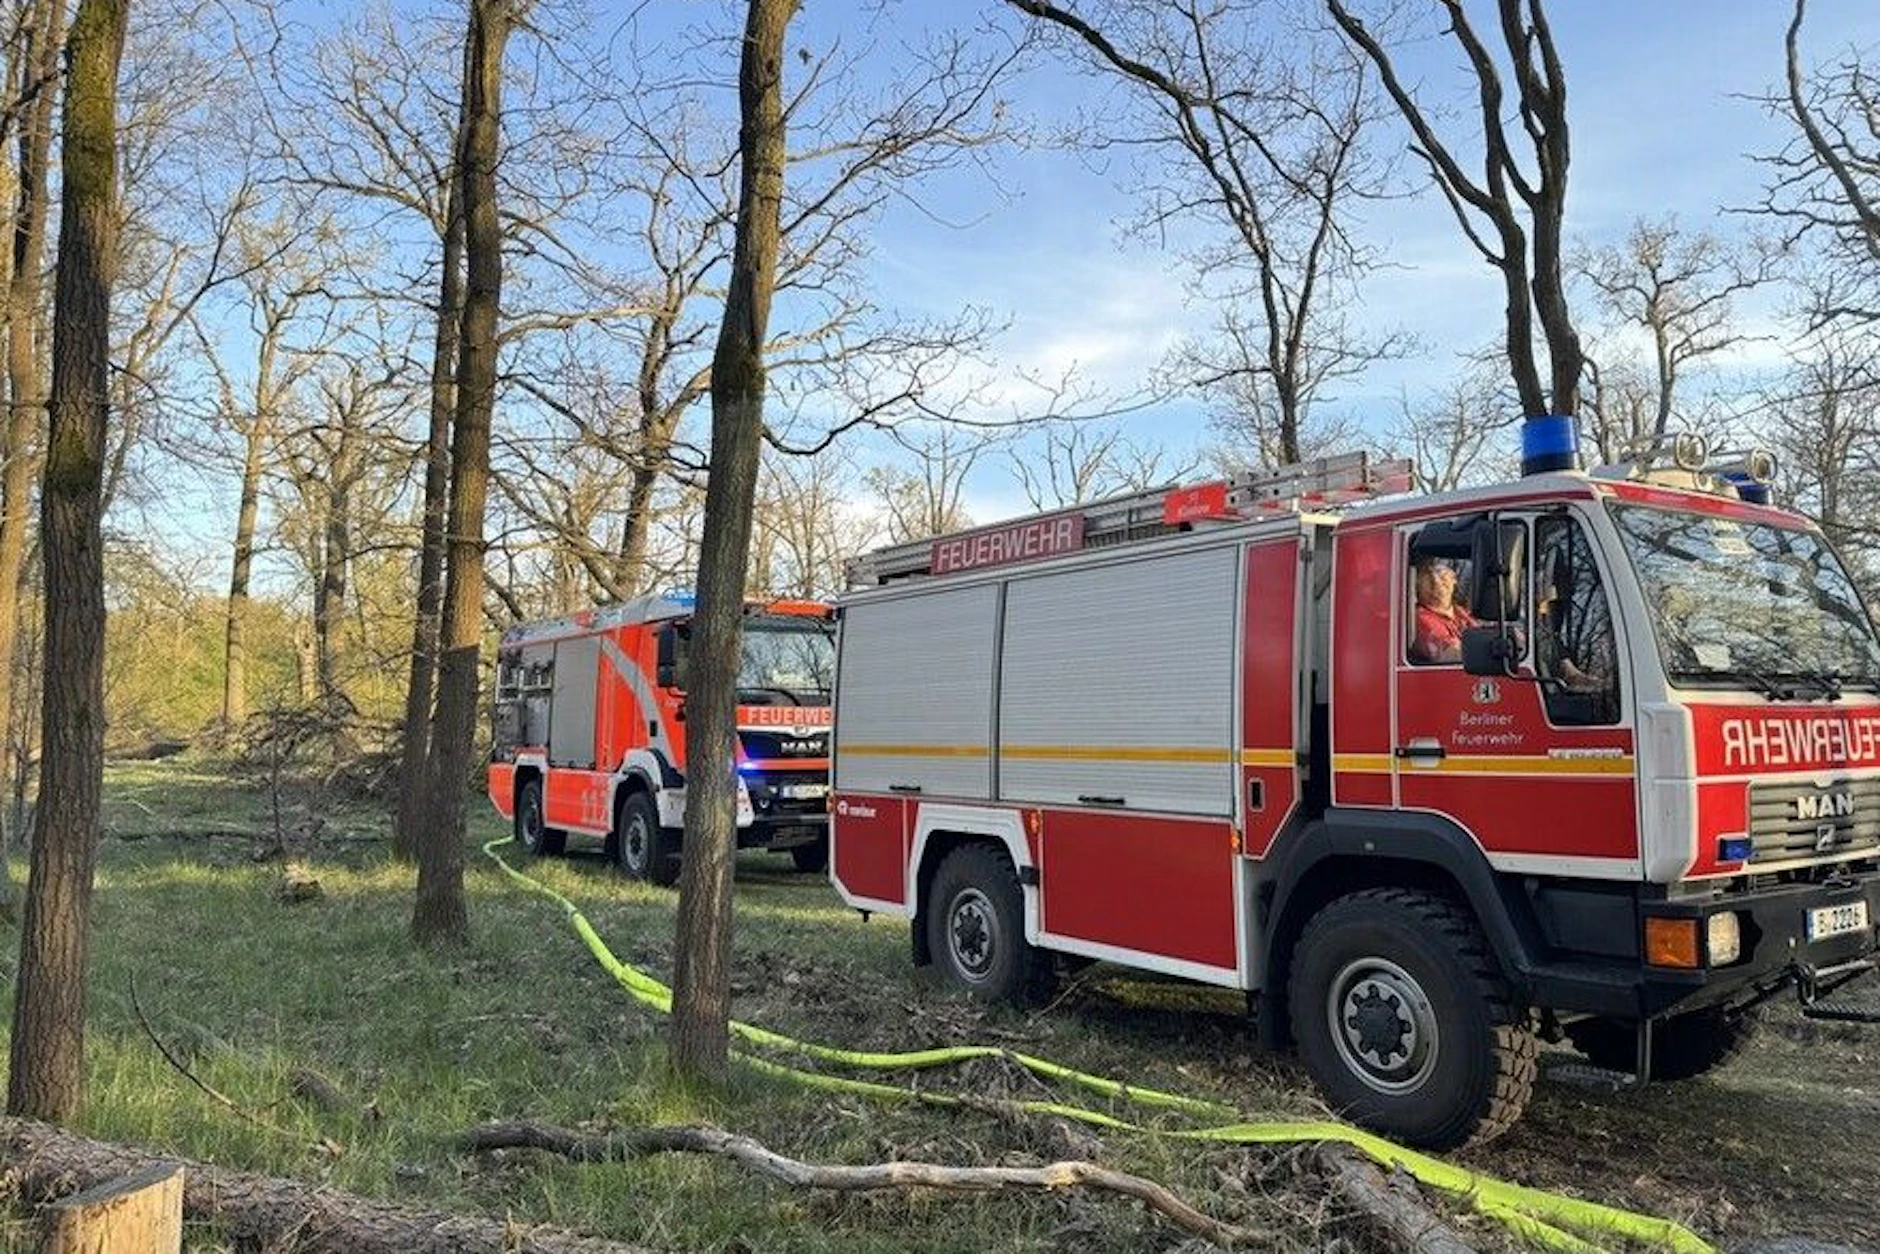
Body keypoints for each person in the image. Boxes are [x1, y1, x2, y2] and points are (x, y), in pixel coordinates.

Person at [1410, 556, 1479, 664]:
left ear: (1454, 579)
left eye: (1441, 571)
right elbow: (1454, 654)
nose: (1436, 580)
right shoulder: (1419, 619)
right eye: (1426, 575)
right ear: (1417, 585)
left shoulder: (1462, 613)